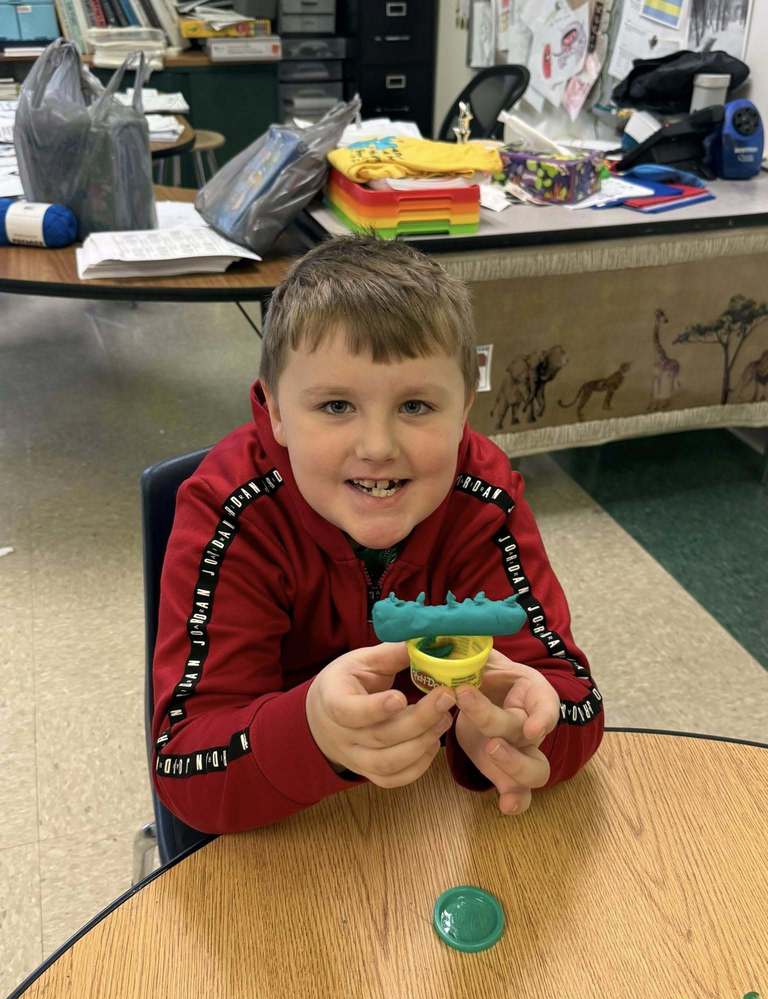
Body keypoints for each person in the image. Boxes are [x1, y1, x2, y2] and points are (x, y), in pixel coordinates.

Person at [152, 235, 604, 834]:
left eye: (416, 406)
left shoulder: (483, 499)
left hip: (429, 822)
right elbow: (185, 764)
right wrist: (312, 732)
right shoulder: (233, 514)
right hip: (289, 829)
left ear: (464, 408)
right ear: (277, 411)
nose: (377, 448)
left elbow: (577, 702)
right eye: (336, 406)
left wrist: (522, 728)